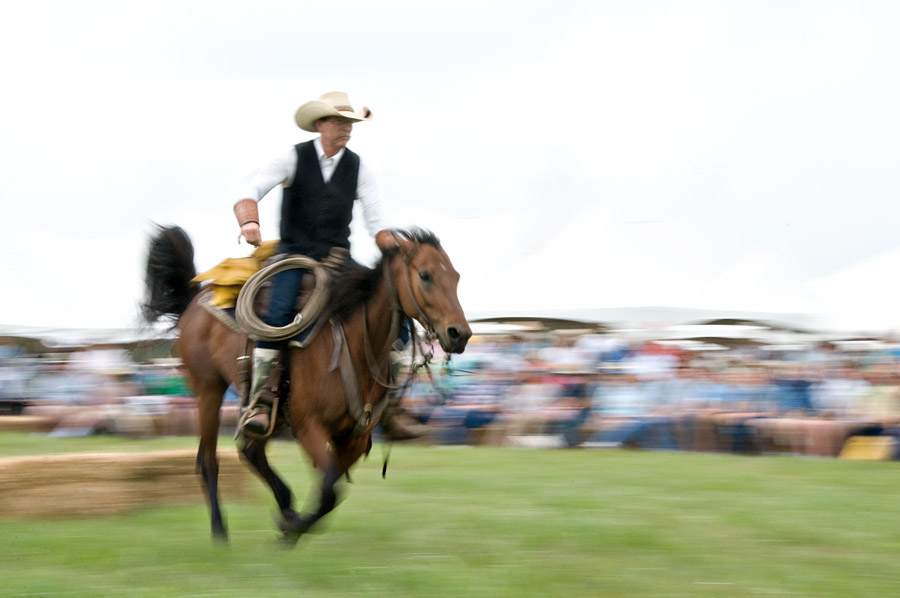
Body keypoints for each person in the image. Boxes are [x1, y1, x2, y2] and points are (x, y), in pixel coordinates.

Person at [232, 91, 422, 440]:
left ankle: (393, 404)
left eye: (349, 123)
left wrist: (394, 245)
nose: (346, 129)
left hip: (338, 261)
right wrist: (250, 222)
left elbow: (376, 222)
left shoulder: (358, 167)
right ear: (320, 124)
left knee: (396, 319)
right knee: (276, 316)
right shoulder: (293, 158)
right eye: (339, 122)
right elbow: (250, 188)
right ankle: (261, 398)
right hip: (293, 256)